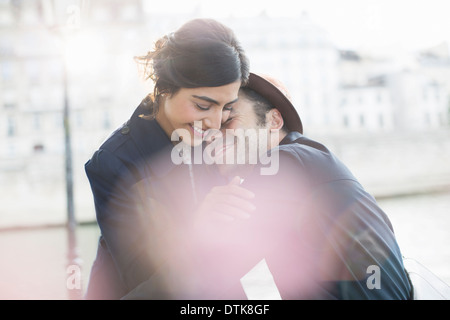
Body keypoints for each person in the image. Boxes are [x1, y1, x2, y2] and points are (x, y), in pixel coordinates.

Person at [195, 72, 414, 299]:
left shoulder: (285, 163)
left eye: (228, 121)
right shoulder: (309, 158)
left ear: (274, 121)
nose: (212, 136)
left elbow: (210, 272)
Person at [83, 18, 250, 299]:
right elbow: (144, 279)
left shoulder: (210, 137)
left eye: (226, 107)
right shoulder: (113, 163)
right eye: (202, 105)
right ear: (166, 87)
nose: (214, 121)